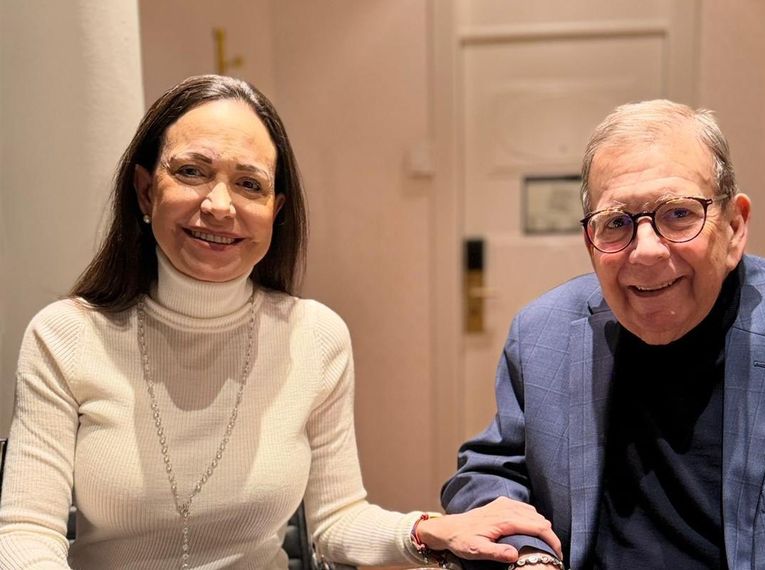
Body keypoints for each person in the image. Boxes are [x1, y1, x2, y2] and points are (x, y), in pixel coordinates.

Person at [0, 75, 561, 569]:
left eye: (250, 184)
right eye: (192, 172)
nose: (220, 205)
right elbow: (26, 532)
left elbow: (337, 520)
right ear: (147, 191)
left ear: (276, 210)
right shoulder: (66, 336)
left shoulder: (314, 337)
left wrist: (423, 530)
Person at [441, 99, 765, 569]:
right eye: (616, 223)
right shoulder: (543, 333)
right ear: (590, 242)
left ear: (735, 227)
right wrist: (529, 553)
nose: (646, 252)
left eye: (678, 214)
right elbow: (489, 469)